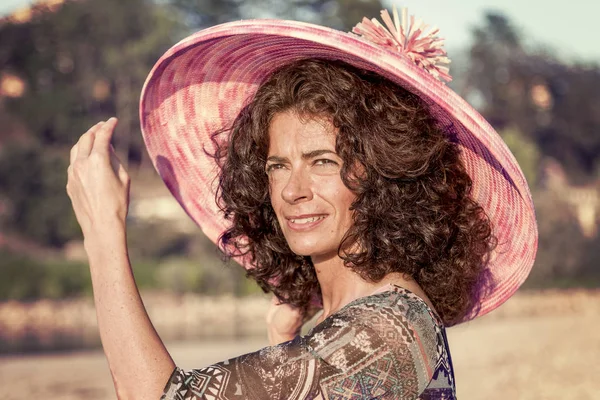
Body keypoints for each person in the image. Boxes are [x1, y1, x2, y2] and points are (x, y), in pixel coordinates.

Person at [66, 8, 538, 400]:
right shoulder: (359, 321)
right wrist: (286, 346)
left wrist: (104, 232)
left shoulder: (389, 330)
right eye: (276, 166)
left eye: (323, 162)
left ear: (384, 175)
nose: (294, 190)